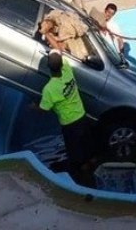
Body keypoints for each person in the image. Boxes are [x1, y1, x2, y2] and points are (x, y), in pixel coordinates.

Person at [38, 49, 96, 180]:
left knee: (76, 155)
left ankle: (85, 177)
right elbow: (60, 53)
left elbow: (44, 109)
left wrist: (33, 107)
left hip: (69, 124)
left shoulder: (49, 89)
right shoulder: (67, 72)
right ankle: (93, 163)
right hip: (82, 116)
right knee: (88, 145)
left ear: (48, 67)